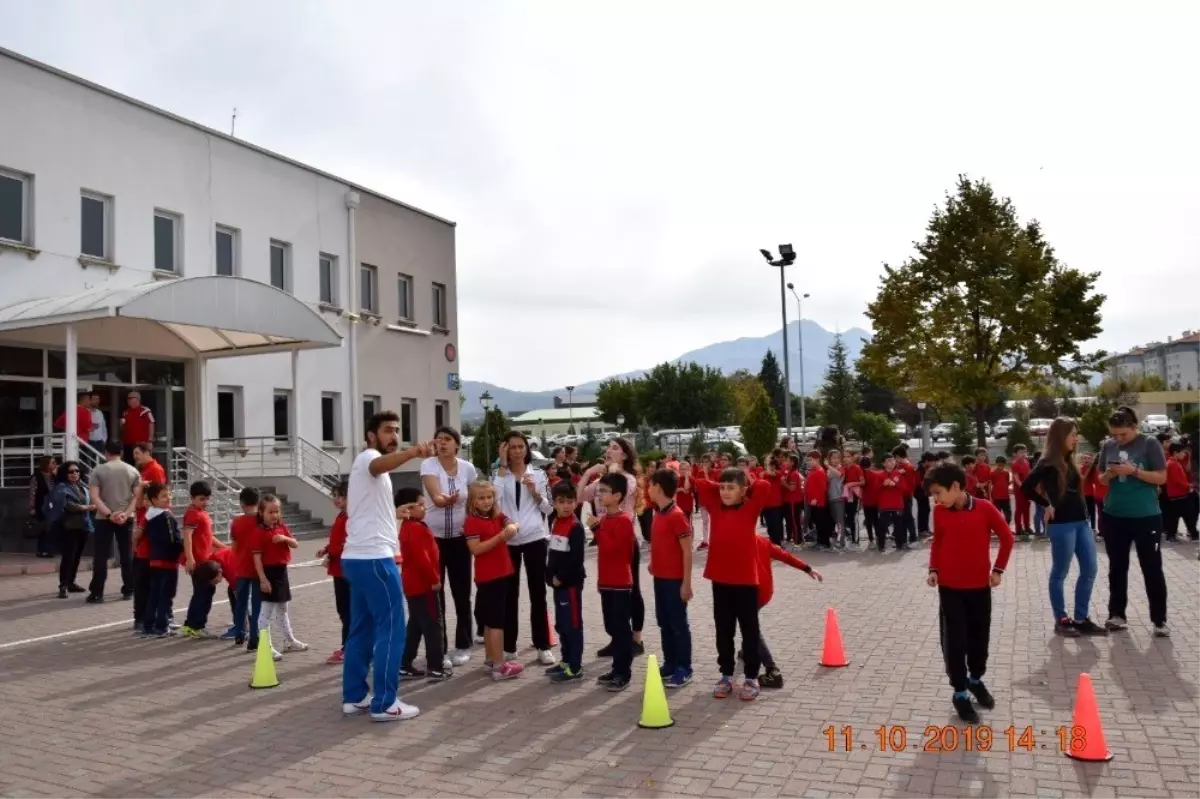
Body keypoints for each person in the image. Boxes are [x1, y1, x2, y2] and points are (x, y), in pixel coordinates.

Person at [341, 412, 430, 722]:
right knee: (392, 629)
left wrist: (397, 513)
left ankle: (354, 697)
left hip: (357, 558)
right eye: (387, 430)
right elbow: (379, 464)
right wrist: (413, 452)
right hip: (374, 560)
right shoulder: (370, 457)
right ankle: (385, 703)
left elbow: (370, 511)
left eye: (397, 430)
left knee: (362, 628)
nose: (394, 435)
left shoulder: (371, 468)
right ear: (371, 435)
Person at [924, 462, 1013, 724]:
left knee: (978, 637)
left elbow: (1007, 537)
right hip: (950, 588)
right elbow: (938, 540)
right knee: (955, 640)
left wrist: (998, 570)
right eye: (933, 495)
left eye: (938, 493)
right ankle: (960, 692)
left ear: (956, 486)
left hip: (979, 588)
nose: (936, 499)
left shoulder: (985, 508)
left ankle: (976, 680)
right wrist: (934, 568)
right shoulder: (940, 512)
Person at [1020, 419, 1105, 637]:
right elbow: (1026, 487)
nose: (1077, 438)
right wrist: (1045, 504)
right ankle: (1061, 619)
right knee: (1060, 572)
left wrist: (1093, 464)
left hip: (1081, 522)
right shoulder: (1047, 462)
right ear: (1060, 436)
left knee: (1090, 569)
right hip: (1062, 525)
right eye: (1073, 434)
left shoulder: (1068, 460)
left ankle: (1081, 618)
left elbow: (1076, 489)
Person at [694, 465, 771, 701]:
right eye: (723, 487)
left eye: (731, 488)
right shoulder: (716, 508)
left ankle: (751, 677)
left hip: (746, 581)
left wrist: (745, 485)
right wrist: (723, 484)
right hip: (721, 580)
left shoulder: (750, 508)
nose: (725, 492)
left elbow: (764, 486)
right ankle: (726, 674)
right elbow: (701, 483)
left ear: (743, 490)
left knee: (749, 630)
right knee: (723, 629)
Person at [1096, 406, 1170, 636]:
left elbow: (1162, 477)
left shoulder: (1149, 444)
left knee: (1152, 568)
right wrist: (1109, 474)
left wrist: (1134, 471)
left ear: (1134, 427)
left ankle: (1159, 620)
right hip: (1114, 515)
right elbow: (1101, 480)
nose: (1118, 439)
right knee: (1117, 568)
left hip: (1146, 516)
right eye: (1114, 434)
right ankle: (1117, 614)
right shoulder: (1108, 446)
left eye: (1123, 434)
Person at [577, 438, 646, 656]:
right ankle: (617, 637)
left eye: (615, 448)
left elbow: (625, 491)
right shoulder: (602, 481)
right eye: (608, 446)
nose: (609, 450)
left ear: (625, 455)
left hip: (624, 539)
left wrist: (614, 473)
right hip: (603, 537)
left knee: (631, 589)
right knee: (609, 591)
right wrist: (589, 473)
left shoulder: (628, 479)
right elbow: (579, 497)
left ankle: (635, 639)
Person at [492, 432, 556, 666]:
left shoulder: (538, 474)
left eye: (521, 447)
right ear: (505, 450)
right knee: (509, 594)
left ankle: (542, 645)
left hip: (535, 538)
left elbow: (550, 510)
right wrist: (501, 467)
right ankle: (509, 646)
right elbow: (494, 502)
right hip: (509, 540)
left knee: (538, 593)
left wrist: (535, 493)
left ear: (527, 450)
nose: (517, 451)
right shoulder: (499, 476)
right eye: (512, 447)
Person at [419, 426, 478, 668]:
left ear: (457, 444)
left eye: (447, 440)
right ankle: (439, 649)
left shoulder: (468, 468)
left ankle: (464, 645)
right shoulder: (429, 465)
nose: (442, 443)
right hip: (434, 538)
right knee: (436, 593)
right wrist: (446, 500)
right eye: (438, 440)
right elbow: (435, 496)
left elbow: (474, 499)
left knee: (462, 592)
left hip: (461, 538)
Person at [464, 481, 523, 680]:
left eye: (489, 497)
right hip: (490, 576)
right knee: (496, 622)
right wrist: (501, 537)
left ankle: (491, 660)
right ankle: (499, 667)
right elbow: (476, 549)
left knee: (491, 621)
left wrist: (512, 527)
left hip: (502, 573)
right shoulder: (472, 521)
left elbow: (511, 522)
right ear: (473, 501)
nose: (487, 501)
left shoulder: (496, 515)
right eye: (481, 498)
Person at [754, 533, 822, 688]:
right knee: (750, 622)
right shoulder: (762, 541)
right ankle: (748, 649)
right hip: (766, 592)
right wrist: (807, 568)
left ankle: (772, 670)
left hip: (752, 593)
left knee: (751, 628)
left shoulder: (738, 542)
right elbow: (785, 556)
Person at [591, 472, 638, 692]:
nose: (599, 495)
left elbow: (614, 549)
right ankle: (616, 668)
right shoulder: (604, 520)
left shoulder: (624, 520)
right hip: (606, 581)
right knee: (611, 626)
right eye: (599, 491)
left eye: (604, 491)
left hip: (620, 582)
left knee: (621, 629)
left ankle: (623, 672)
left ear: (618, 496)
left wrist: (595, 529)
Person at [648, 468, 694, 689]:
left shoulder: (677, 516)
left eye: (649, 485)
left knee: (678, 624)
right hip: (660, 578)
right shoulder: (659, 513)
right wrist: (653, 563)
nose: (647, 489)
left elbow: (687, 551)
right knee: (664, 622)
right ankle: (670, 663)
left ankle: (684, 667)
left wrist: (687, 583)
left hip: (675, 581)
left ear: (658, 487)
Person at [397, 486, 448, 681]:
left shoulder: (410, 527)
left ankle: (404, 662)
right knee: (434, 625)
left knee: (417, 624)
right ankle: (436, 666)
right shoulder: (416, 528)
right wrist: (434, 579)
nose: (424, 508)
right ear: (408, 508)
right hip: (423, 584)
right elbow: (422, 559)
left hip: (413, 584)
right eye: (420, 505)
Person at [86, 441, 141, 602]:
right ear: (122, 452)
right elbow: (137, 497)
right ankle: (129, 589)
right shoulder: (132, 470)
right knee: (127, 554)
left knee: (101, 556)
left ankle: (97, 592)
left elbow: (94, 497)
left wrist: (109, 514)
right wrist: (126, 514)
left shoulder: (98, 470)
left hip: (104, 518)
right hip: (126, 517)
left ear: (106, 453)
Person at [545, 482, 587, 683]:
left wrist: (560, 577)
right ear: (554, 504)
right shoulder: (555, 522)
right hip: (558, 585)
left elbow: (575, 560)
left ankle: (576, 666)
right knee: (562, 625)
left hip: (570, 585)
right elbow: (553, 553)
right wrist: (549, 575)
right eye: (562, 502)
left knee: (573, 624)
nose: (567, 506)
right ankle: (566, 660)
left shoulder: (575, 527)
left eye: (570, 502)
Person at [254, 494, 304, 660]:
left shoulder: (281, 527)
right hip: (269, 573)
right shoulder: (259, 532)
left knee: (283, 609)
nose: (274, 515)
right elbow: (257, 559)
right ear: (261, 512)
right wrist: (263, 579)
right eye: (270, 512)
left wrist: (284, 538)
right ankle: (265, 646)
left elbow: (295, 544)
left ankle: (289, 640)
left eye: (277, 511)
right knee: (266, 611)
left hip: (281, 572)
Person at [182, 481, 230, 639]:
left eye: (207, 499)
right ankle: (197, 626)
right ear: (192, 498)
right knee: (204, 594)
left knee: (201, 593)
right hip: (200, 563)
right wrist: (190, 559)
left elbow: (209, 537)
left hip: (205, 561)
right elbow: (187, 537)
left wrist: (225, 548)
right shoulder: (192, 513)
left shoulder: (202, 513)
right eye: (202, 499)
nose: (205, 502)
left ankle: (190, 625)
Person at [139, 482, 182, 638]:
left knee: (154, 594)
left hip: (155, 559)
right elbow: (173, 539)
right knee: (166, 594)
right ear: (154, 500)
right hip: (167, 560)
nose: (168, 498)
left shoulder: (150, 515)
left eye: (169, 494)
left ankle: (148, 625)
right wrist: (183, 549)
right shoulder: (166, 516)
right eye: (164, 496)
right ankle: (162, 626)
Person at [316, 481, 350, 663]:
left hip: (347, 570)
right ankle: (349, 646)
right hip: (339, 570)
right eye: (334, 496)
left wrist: (332, 552)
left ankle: (349, 647)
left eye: (340, 496)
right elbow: (336, 540)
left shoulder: (352, 517)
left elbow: (347, 543)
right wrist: (327, 549)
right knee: (343, 610)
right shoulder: (341, 516)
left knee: (348, 611)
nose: (336, 500)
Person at [50, 460, 94, 598]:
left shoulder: (82, 487)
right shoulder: (61, 488)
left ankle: (71, 582)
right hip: (69, 527)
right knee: (68, 557)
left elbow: (90, 500)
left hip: (83, 526)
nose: (75, 474)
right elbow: (70, 506)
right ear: (65, 474)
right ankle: (63, 585)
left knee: (76, 557)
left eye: (77, 471)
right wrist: (88, 507)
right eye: (71, 472)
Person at [227, 487, 262, 646]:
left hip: (241, 566)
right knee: (256, 604)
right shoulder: (261, 520)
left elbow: (233, 546)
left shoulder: (237, 521)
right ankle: (254, 637)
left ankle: (239, 633)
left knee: (240, 603)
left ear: (242, 503)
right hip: (257, 568)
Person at [1164, 443, 1198, 541]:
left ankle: (1171, 536)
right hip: (1180, 494)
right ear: (1176, 452)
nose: (1184, 455)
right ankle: (1194, 535)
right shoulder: (1174, 464)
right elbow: (1179, 481)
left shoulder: (1170, 462)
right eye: (1183, 452)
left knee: (1175, 517)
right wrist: (1190, 486)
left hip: (1174, 494)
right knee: (1189, 516)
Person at [28, 455, 57, 558]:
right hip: (40, 506)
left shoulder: (54, 476)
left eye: (55, 463)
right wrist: (32, 508)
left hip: (52, 506)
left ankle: (49, 550)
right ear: (46, 464)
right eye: (52, 463)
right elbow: (32, 493)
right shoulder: (36, 476)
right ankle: (41, 550)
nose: (54, 465)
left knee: (51, 528)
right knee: (43, 528)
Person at [877, 453, 906, 551]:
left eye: (892, 460)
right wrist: (883, 485)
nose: (891, 462)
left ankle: (900, 545)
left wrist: (895, 485)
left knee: (899, 526)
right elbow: (875, 489)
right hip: (884, 505)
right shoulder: (880, 475)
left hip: (897, 504)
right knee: (882, 526)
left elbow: (904, 488)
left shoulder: (898, 474)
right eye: (888, 461)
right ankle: (881, 545)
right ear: (883, 464)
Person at [804, 450, 831, 550]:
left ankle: (824, 543)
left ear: (817, 459)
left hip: (819, 503)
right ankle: (820, 541)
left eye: (811, 460)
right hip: (813, 502)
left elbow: (823, 488)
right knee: (818, 523)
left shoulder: (819, 471)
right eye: (808, 460)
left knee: (821, 523)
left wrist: (816, 499)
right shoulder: (814, 470)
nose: (809, 462)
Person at [120, 391, 155, 465]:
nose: (128, 401)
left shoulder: (145, 411)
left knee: (142, 464)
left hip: (141, 444)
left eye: (130, 398)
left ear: (137, 399)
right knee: (129, 465)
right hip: (128, 444)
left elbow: (151, 423)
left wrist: (150, 441)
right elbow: (123, 429)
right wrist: (121, 424)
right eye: (128, 399)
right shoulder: (126, 412)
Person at [1011, 444, 1033, 536]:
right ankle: (1019, 529)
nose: (1023, 454)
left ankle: (1027, 527)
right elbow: (1016, 478)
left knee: (1027, 508)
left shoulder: (1026, 462)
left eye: (1024, 451)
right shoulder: (1015, 464)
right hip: (1019, 490)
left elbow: (1028, 475)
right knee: (1019, 509)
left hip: (1027, 489)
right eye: (1020, 452)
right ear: (1015, 454)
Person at [989, 456, 1013, 523]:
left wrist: (1011, 483)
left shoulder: (1006, 473)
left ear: (1004, 465)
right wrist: (990, 496)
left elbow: (1006, 483)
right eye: (999, 465)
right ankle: (998, 528)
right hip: (996, 497)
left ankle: (1007, 526)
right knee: (997, 514)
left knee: (1008, 514)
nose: (1000, 467)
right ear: (996, 464)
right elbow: (991, 484)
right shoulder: (992, 473)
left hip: (1005, 496)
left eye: (1002, 465)